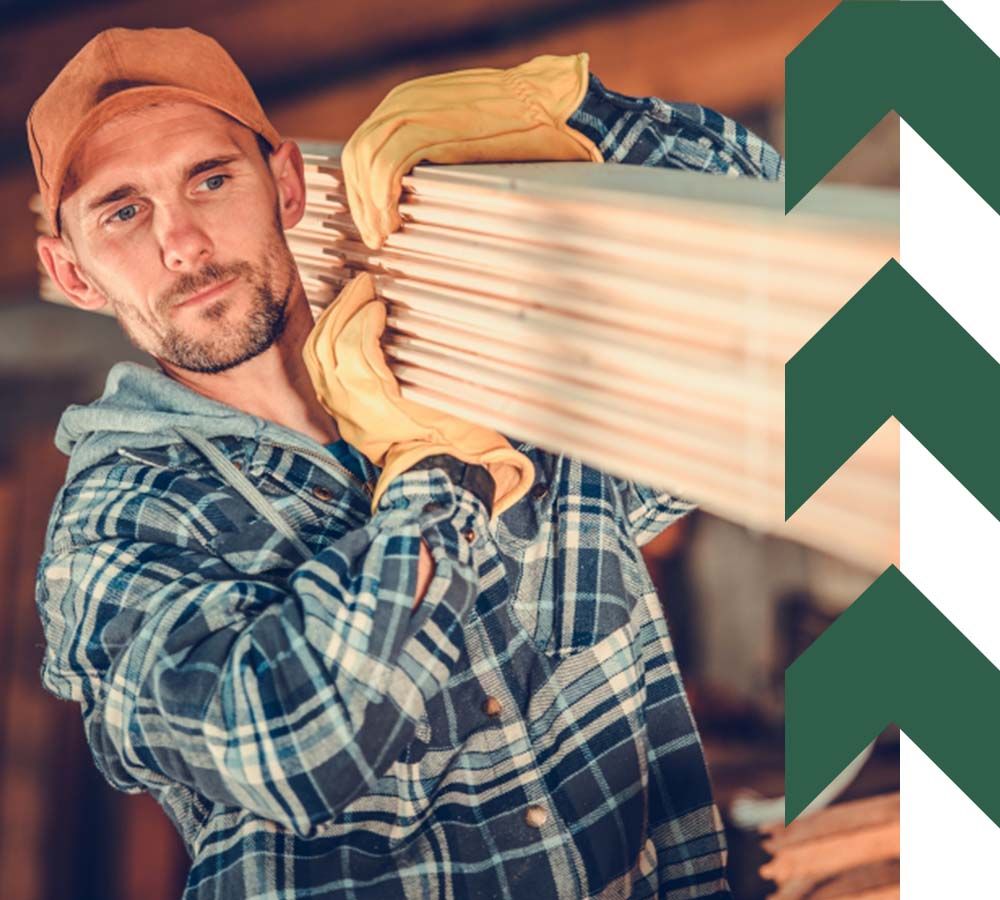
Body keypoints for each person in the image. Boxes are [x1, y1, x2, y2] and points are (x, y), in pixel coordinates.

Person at [30, 26, 782, 900]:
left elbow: (765, 239)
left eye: (211, 178)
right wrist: (434, 469)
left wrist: (575, 113)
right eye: (122, 211)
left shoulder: (482, 357)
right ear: (71, 272)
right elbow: (288, 749)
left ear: (283, 183)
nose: (184, 243)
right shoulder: (113, 528)